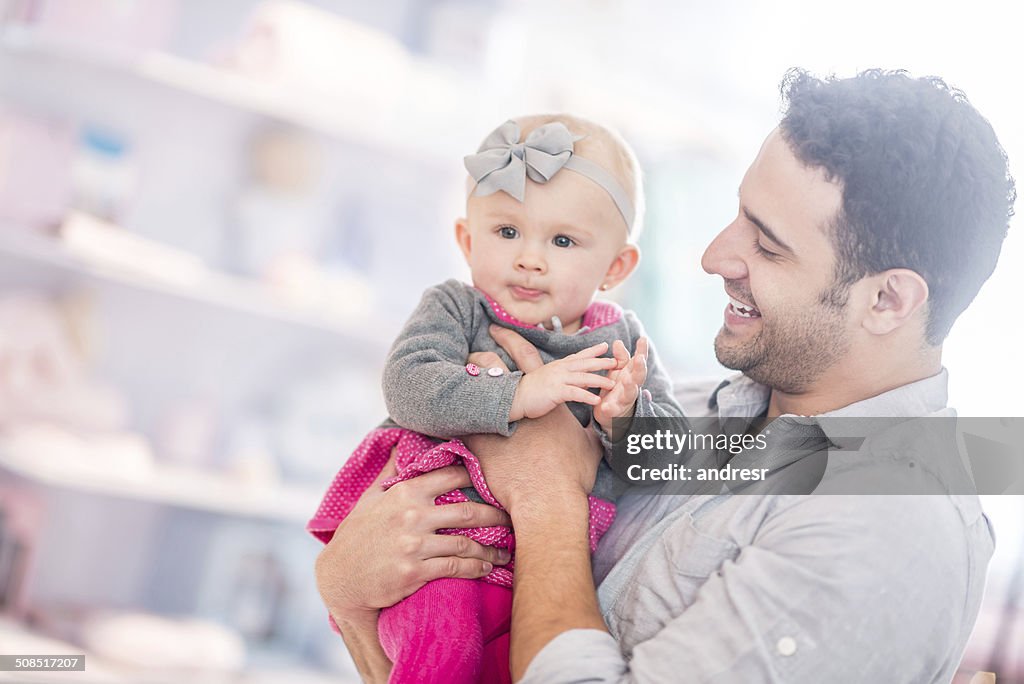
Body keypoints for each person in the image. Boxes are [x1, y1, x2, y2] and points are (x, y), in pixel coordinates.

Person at [314, 69, 1015, 682]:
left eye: (767, 246)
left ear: (888, 301)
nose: (714, 257)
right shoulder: (687, 410)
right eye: (738, 216)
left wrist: (549, 500)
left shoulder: (887, 534)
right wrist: (343, 581)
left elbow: (539, 495)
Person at [308, 114, 686, 683]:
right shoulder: (458, 309)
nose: (529, 258)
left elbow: (670, 460)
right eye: (507, 232)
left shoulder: (623, 344)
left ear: (616, 267)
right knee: (445, 648)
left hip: (543, 572)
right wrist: (519, 392)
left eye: (562, 241)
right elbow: (408, 384)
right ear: (466, 239)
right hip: (437, 550)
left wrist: (626, 420)